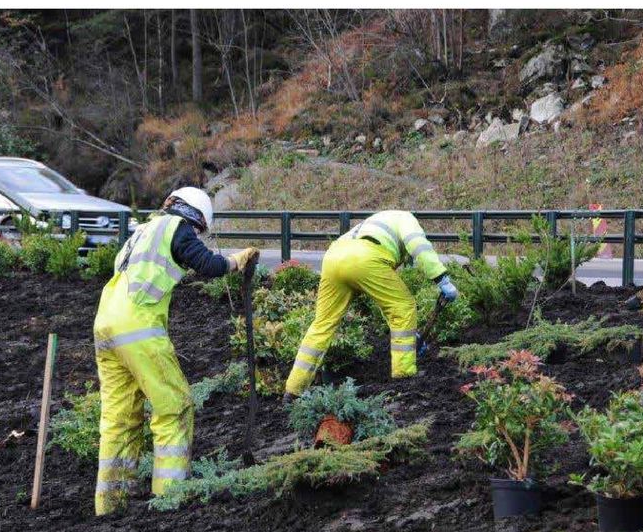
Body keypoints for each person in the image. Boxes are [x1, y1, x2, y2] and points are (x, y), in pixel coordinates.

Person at [93, 185, 258, 515]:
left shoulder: (140, 231)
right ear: (196, 217)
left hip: (105, 324)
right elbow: (206, 264)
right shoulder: (175, 228)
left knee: (120, 418)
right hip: (138, 326)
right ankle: (169, 498)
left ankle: (109, 504)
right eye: (199, 230)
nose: (196, 235)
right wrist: (235, 262)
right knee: (175, 407)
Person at [284, 211, 458, 398]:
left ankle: (294, 390)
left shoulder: (376, 221)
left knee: (322, 324)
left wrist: (407, 330)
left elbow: (382, 298)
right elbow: (418, 246)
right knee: (403, 307)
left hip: (333, 257)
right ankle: (404, 377)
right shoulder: (407, 218)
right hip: (365, 257)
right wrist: (441, 278)